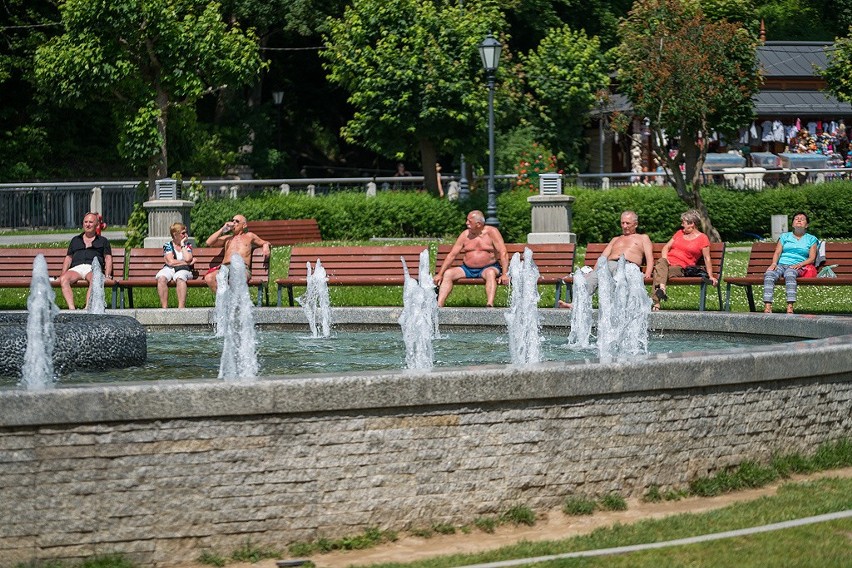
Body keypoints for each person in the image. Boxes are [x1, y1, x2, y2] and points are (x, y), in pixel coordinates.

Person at [558, 211, 653, 308]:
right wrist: (594, 271)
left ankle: (618, 307)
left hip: (627, 266)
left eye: (627, 223)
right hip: (609, 264)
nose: (624, 226)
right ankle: (576, 304)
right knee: (591, 279)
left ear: (635, 224)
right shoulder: (616, 239)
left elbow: (650, 258)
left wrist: (648, 273)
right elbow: (603, 258)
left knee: (618, 279)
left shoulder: (643, 238)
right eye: (622, 223)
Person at [434, 210, 509, 307]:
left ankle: (489, 304)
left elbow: (503, 252)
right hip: (467, 269)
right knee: (448, 274)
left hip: (488, 268)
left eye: (469, 221)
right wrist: (440, 274)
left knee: (490, 273)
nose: (466, 223)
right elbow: (452, 255)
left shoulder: (492, 232)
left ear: (478, 224)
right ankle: (439, 305)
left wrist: (504, 274)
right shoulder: (465, 235)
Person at [650, 210, 719, 311]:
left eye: (684, 222)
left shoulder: (702, 238)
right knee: (661, 263)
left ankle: (657, 301)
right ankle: (662, 290)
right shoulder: (679, 233)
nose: (682, 225)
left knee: (658, 271)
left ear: (692, 224)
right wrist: (665, 259)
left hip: (680, 268)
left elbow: (706, 258)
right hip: (666, 263)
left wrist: (711, 276)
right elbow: (665, 247)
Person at [763, 212, 818, 314]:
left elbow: (812, 258)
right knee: (769, 274)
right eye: (796, 218)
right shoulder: (784, 237)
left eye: (802, 219)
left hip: (798, 266)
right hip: (781, 265)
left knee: (790, 274)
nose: (799, 220)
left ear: (806, 225)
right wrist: (774, 264)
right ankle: (768, 306)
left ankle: (790, 306)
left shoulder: (811, 239)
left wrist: (800, 264)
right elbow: (777, 252)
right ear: (792, 224)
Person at [59, 211, 113, 310]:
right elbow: (68, 258)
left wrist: (108, 275)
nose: (87, 224)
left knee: (95, 279)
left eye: (91, 222)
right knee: (64, 279)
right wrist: (63, 273)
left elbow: (108, 258)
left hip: (92, 269)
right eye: (86, 222)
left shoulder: (103, 241)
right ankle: (72, 309)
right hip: (76, 268)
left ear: (97, 224)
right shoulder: (75, 240)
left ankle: (87, 308)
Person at [204, 214, 271, 294]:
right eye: (233, 220)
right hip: (225, 268)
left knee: (237, 277)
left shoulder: (249, 236)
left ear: (244, 225)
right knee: (209, 278)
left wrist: (266, 245)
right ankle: (225, 300)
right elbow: (209, 242)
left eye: (237, 221)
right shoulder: (227, 238)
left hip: (241, 268)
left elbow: (265, 242)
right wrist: (223, 229)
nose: (233, 223)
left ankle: (233, 303)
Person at [156, 222, 195, 308]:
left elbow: (188, 258)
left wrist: (182, 244)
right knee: (161, 278)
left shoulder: (187, 245)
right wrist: (186, 263)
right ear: (175, 234)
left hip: (184, 269)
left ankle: (181, 309)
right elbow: (170, 262)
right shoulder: (168, 245)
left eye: (186, 232)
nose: (186, 235)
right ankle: (164, 309)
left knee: (180, 277)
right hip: (170, 268)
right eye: (183, 233)